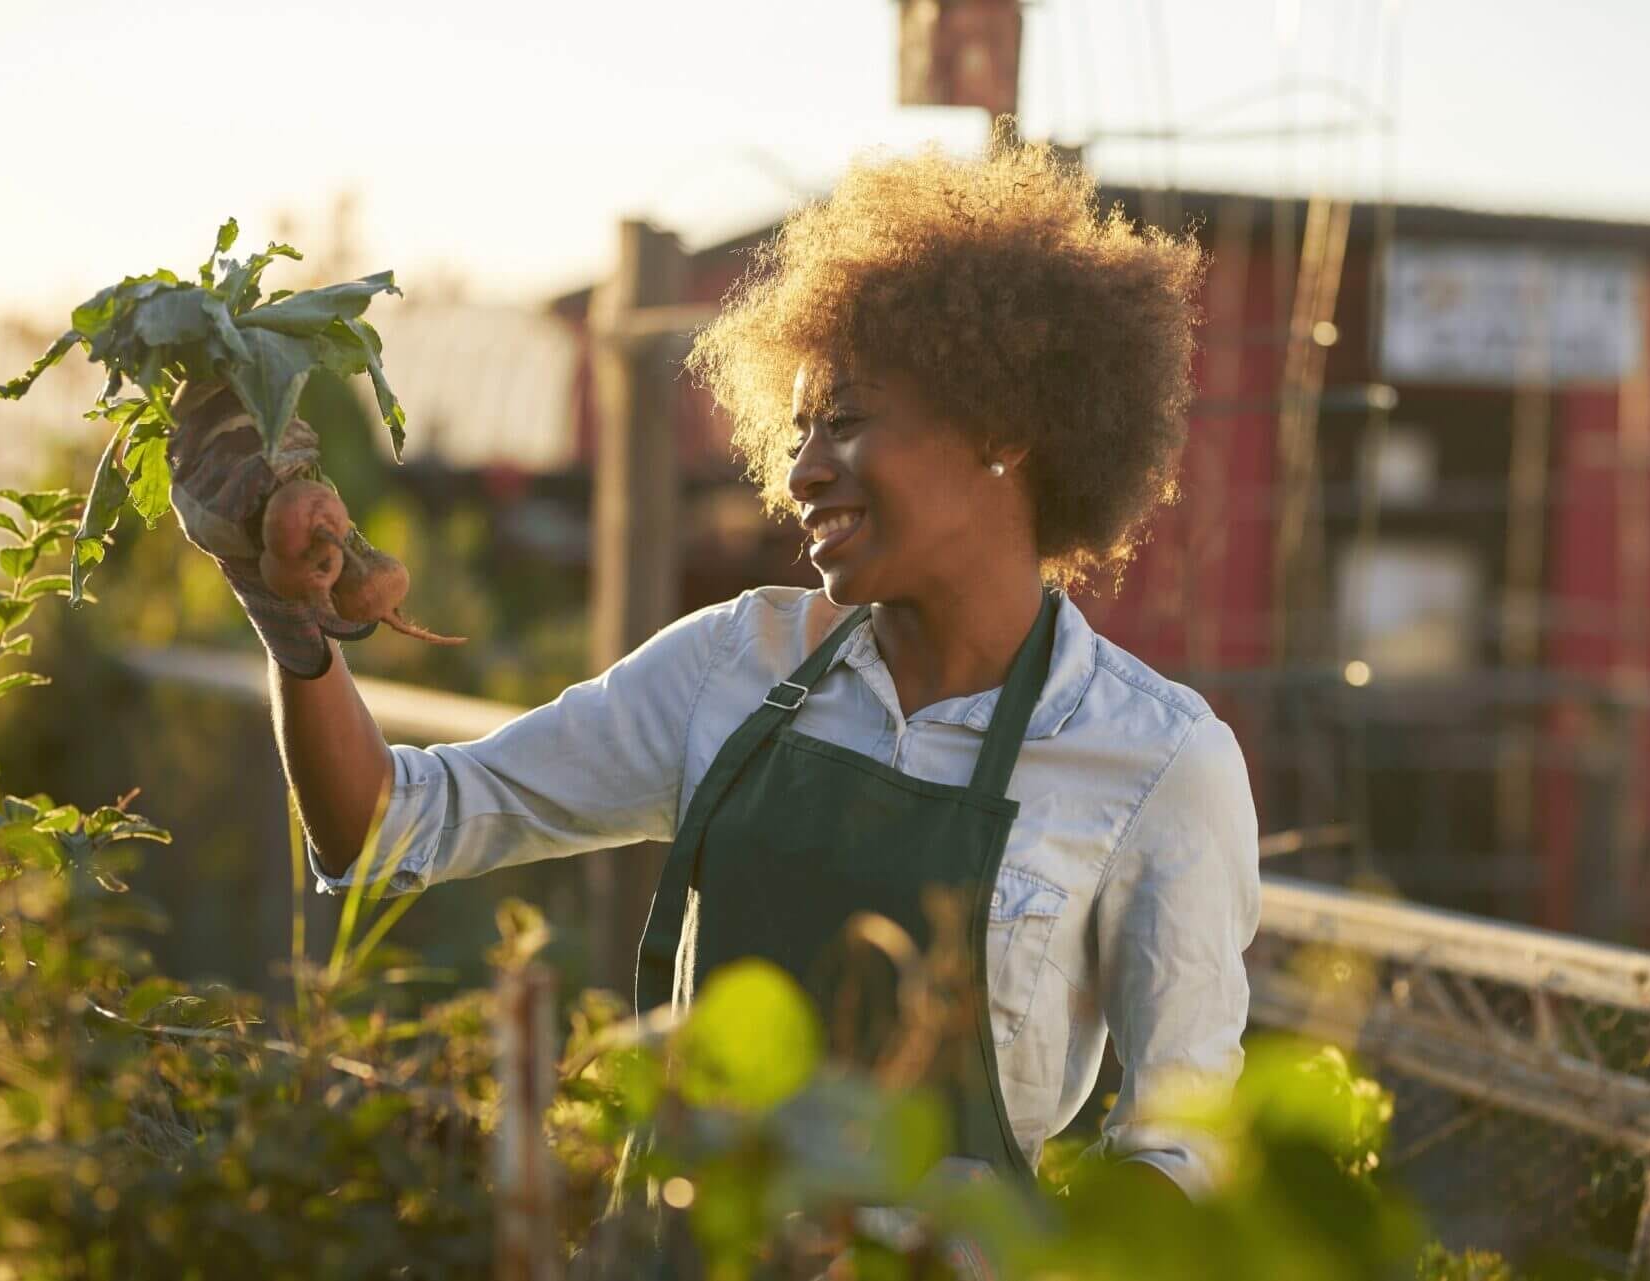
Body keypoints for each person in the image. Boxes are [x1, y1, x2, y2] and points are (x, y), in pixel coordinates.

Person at [171, 130, 1259, 1229]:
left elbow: (1181, 1156)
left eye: (844, 421)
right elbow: (389, 830)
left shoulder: (1159, 762)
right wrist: (288, 615)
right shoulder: (736, 665)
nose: (800, 471)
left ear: (1005, 428)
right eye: (793, 433)